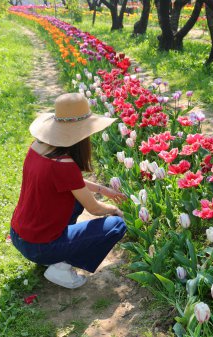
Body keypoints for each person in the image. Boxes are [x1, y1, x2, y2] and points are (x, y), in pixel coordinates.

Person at [10, 93, 127, 289]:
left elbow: (72, 182)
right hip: (38, 246)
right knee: (116, 226)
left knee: (75, 200)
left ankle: (55, 253)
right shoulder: (64, 165)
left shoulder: (38, 148)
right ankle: (61, 265)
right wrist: (114, 210)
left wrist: (103, 189)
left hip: (19, 234)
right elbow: (95, 209)